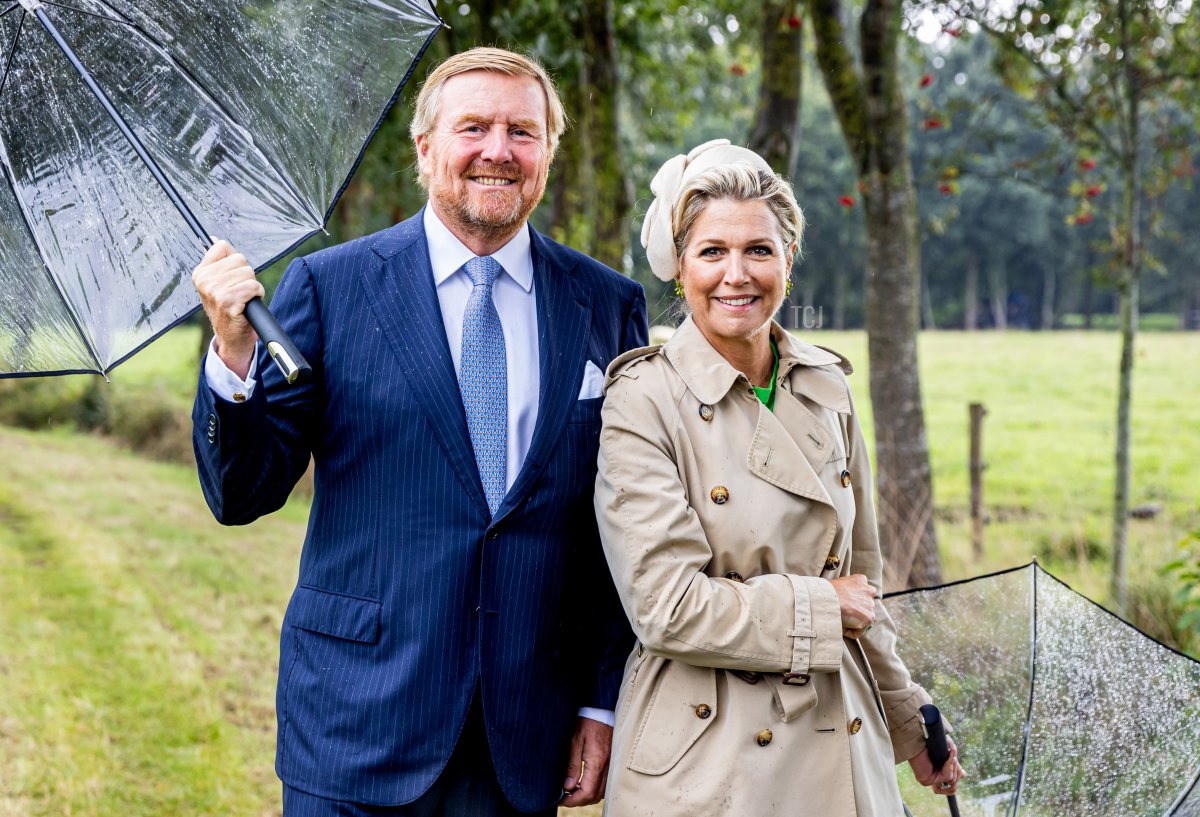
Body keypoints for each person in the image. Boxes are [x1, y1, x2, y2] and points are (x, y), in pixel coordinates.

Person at [190, 48, 647, 816]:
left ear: (547, 154)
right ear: (426, 148)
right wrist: (234, 354)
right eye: (473, 127)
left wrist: (601, 702)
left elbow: (618, 528)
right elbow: (243, 491)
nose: (498, 151)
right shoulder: (328, 289)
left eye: (522, 132)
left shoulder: (608, 304)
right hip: (357, 722)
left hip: (525, 735)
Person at [593, 140, 965, 815]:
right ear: (681, 269)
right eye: (712, 252)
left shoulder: (827, 387)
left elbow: (863, 584)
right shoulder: (643, 398)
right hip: (711, 755)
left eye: (759, 250)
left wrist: (910, 719)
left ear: (788, 262)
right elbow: (665, 605)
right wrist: (822, 607)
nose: (736, 274)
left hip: (839, 732)